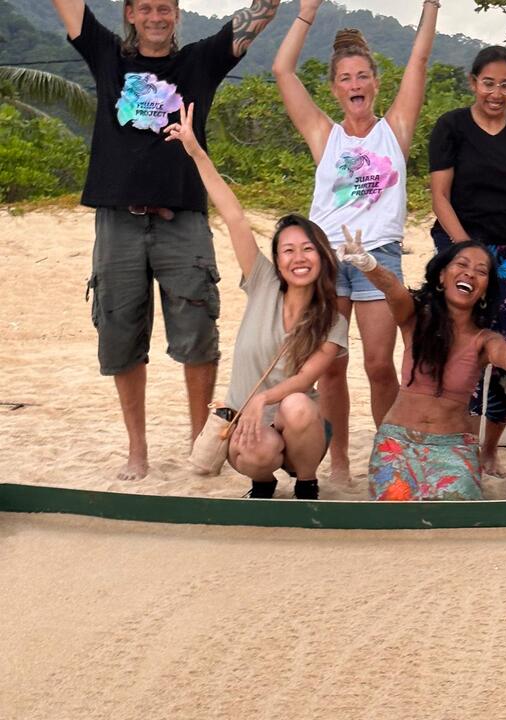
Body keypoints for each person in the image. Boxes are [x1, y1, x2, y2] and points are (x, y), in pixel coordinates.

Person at [51, 0, 282, 480]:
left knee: (197, 332)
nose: (156, 17)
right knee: (119, 335)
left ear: (176, 15)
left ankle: (200, 445)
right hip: (118, 221)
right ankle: (137, 449)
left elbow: (262, 13)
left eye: (165, 8)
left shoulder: (199, 61)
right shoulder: (108, 56)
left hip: (183, 220)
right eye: (146, 8)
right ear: (130, 15)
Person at [272, 0, 438, 486]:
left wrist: (431, 6)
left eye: (363, 76)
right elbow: (282, 71)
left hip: (377, 256)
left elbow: (419, 59)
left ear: (376, 82)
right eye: (345, 79)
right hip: (326, 259)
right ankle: (339, 459)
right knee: (332, 366)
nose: (355, 85)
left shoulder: (394, 130)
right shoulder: (325, 135)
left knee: (378, 364)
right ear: (334, 89)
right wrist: (305, 13)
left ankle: (386, 456)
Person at [166, 104, 345, 500]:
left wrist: (263, 398)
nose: (299, 258)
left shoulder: (332, 320)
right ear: (277, 261)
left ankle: (306, 483)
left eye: (307, 249)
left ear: (322, 256)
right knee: (258, 452)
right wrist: (195, 152)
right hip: (249, 425)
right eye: (288, 251)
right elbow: (234, 216)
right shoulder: (263, 282)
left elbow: (304, 380)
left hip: (299, 428)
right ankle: (263, 483)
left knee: (298, 404)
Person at [336, 229, 506, 501]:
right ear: (441, 276)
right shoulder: (415, 317)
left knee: (456, 509)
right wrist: (367, 262)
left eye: (481, 271)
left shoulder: (484, 339)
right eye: (461, 265)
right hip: (397, 442)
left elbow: (504, 353)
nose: (470, 274)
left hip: (454, 448)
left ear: (485, 291)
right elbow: (391, 287)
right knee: (394, 508)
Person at [428, 45, 506, 475]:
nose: (496, 94)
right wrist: (467, 254)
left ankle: (489, 450)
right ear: (472, 83)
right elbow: (440, 197)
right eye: (488, 84)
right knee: (457, 349)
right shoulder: (451, 127)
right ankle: (458, 446)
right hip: (460, 250)